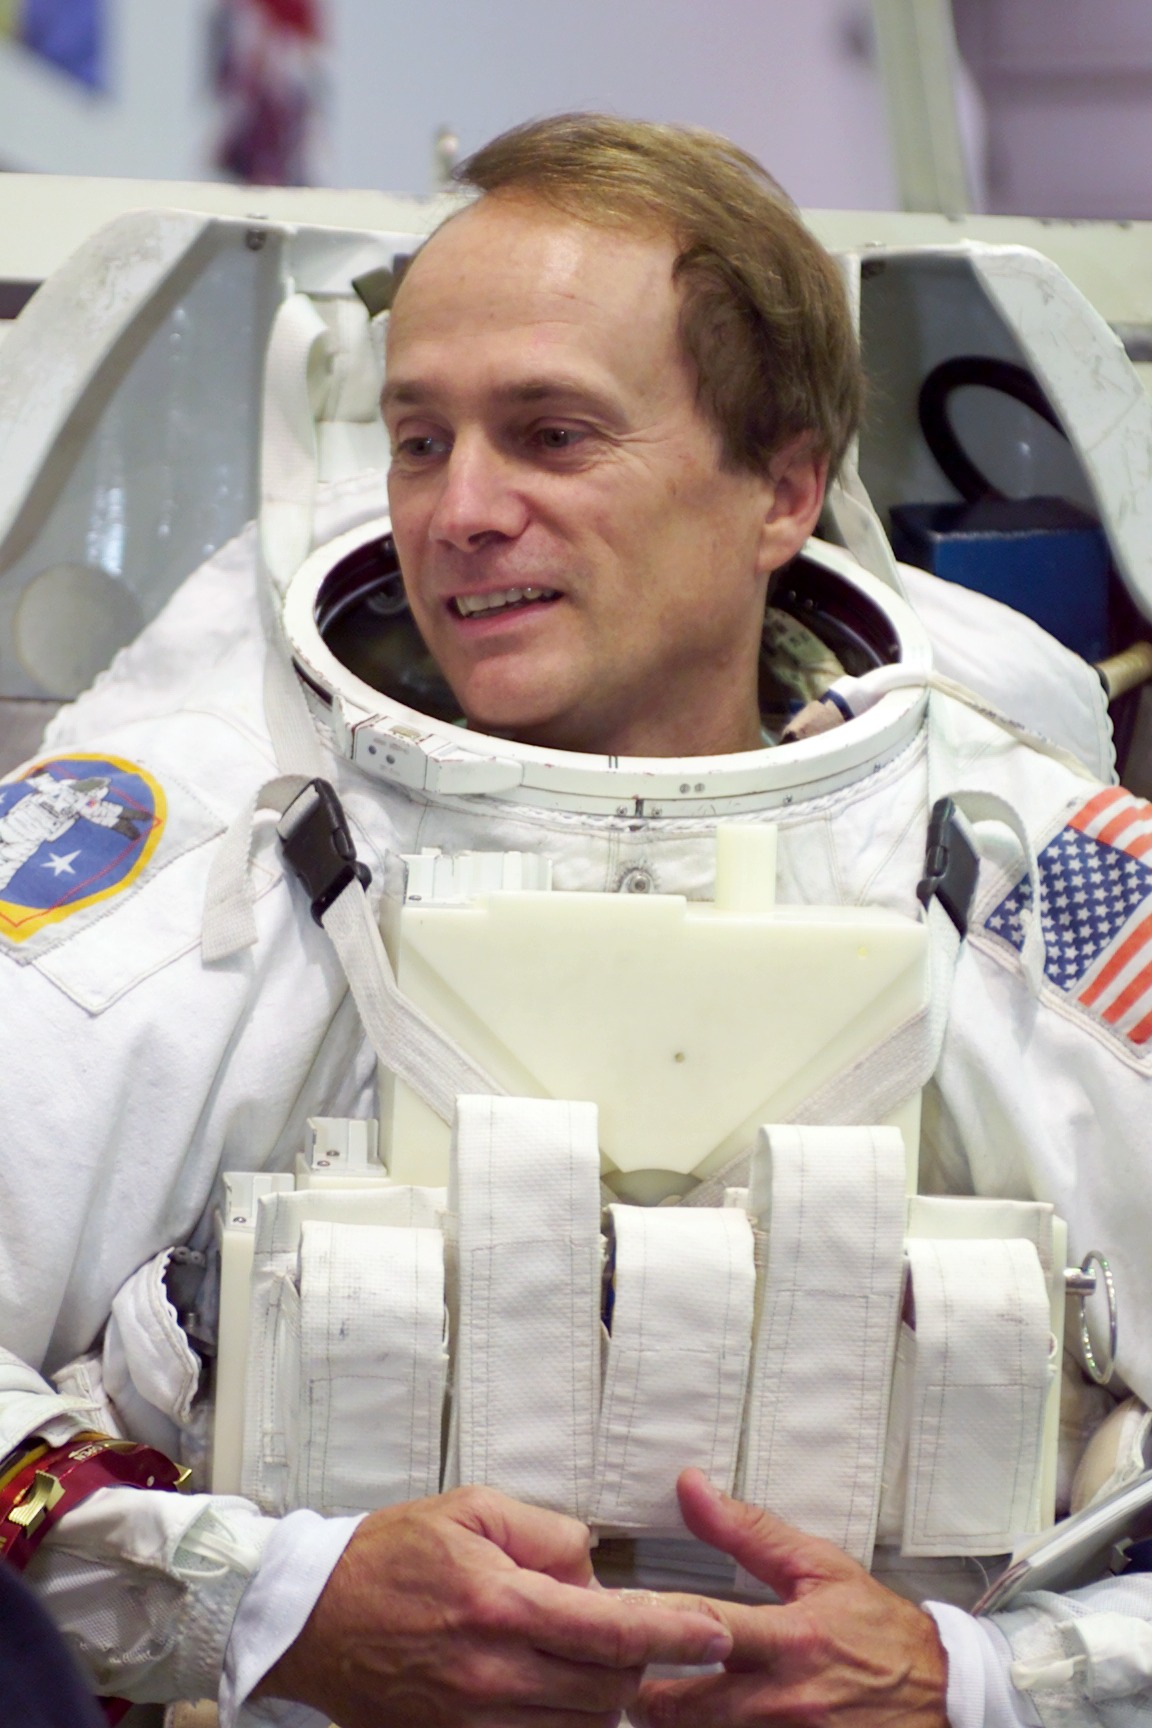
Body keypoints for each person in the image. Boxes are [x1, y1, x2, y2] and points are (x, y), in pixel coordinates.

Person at [0, 111, 1147, 1728]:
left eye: (550, 434)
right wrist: (261, 1603)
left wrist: (980, 1681)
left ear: (782, 491)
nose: (461, 508)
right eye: (419, 440)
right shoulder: (204, 855)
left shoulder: (1044, 883)